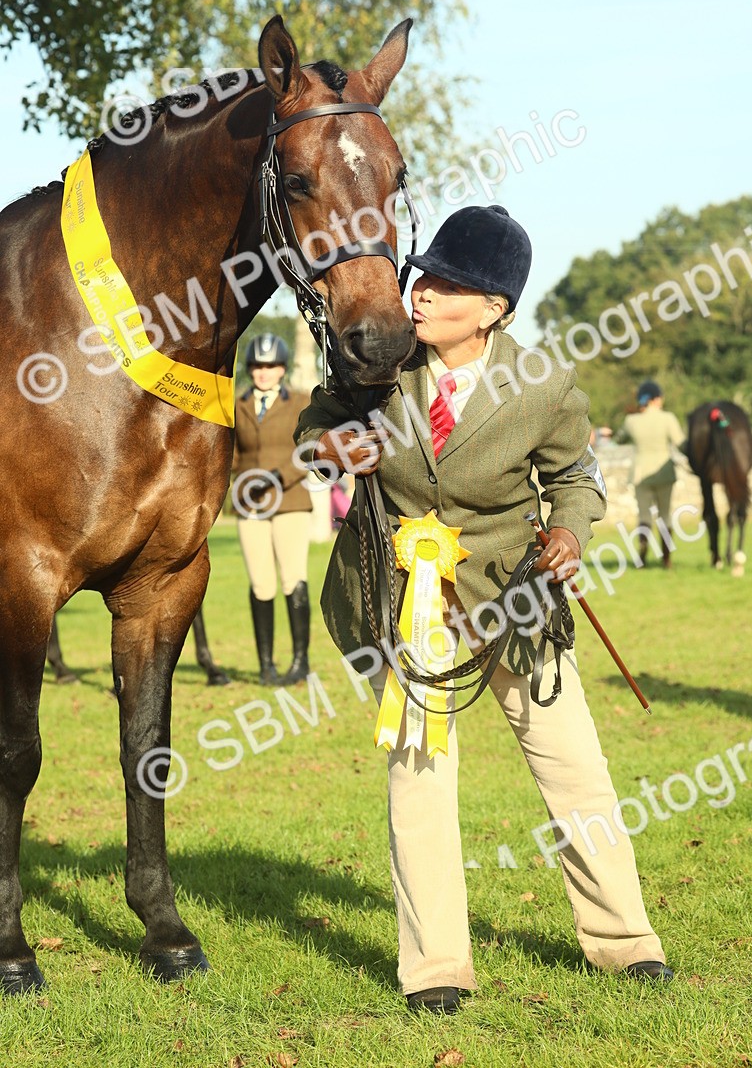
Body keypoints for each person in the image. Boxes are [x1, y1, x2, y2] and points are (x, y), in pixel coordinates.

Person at [295, 204, 672, 1015]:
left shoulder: (543, 385)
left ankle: (626, 941)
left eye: (447, 284)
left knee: (576, 772)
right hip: (403, 606)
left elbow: (575, 478)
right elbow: (312, 427)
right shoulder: (375, 361)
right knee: (419, 781)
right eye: (422, 275)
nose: (421, 293)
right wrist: (328, 449)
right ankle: (436, 966)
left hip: (516, 601)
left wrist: (569, 536)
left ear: (495, 308)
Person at [233, 333, 313, 686]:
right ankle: (266, 664)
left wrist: (280, 476)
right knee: (260, 583)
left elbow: (311, 449)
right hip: (251, 505)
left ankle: (301, 661)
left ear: (282, 368)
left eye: (270, 366)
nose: (263, 372)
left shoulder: (300, 401)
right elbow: (231, 453)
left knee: (292, 578)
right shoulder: (237, 404)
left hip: (291, 501)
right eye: (258, 366)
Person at [617, 382, 685, 568]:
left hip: (640, 473)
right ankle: (666, 558)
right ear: (655, 399)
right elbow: (681, 443)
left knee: (644, 516)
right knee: (665, 515)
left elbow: (619, 438)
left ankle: (642, 555)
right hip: (664, 473)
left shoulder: (631, 421)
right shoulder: (668, 418)